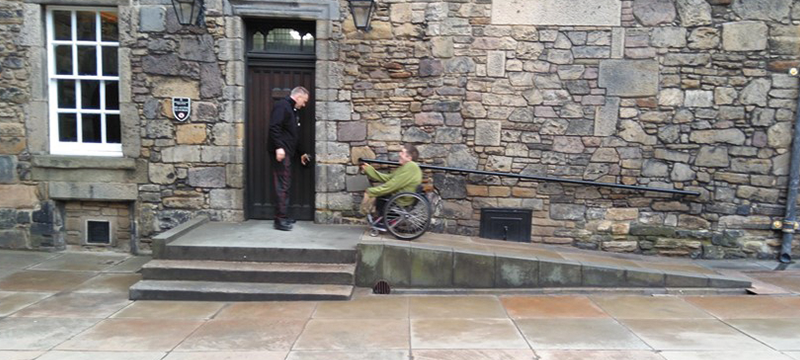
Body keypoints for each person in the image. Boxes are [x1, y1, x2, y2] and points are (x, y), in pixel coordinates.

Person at [270, 86, 311, 231]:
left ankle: (284, 215)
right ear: (298, 96)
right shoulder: (282, 106)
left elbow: (293, 135)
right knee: (282, 186)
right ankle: (279, 220)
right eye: (304, 101)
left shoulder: (292, 110)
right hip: (282, 153)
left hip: (288, 151)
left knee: (285, 185)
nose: (304, 104)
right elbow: (274, 127)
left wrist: (302, 152)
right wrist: (279, 147)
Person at [361, 144, 422, 229]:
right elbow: (388, 178)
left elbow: (392, 184)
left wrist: (372, 191)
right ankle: (381, 220)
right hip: (401, 195)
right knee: (381, 196)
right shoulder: (406, 167)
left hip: (402, 198)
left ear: (409, 158)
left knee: (381, 195)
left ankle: (383, 221)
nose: (399, 154)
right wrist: (369, 170)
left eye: (402, 152)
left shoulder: (411, 167)